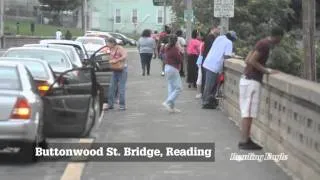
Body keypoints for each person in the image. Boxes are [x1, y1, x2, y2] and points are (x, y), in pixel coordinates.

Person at [238, 27, 283, 150]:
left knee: (247, 112)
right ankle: (244, 140)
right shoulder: (265, 45)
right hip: (252, 81)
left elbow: (247, 60)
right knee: (248, 112)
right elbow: (252, 61)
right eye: (280, 39)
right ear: (278, 37)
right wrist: (267, 71)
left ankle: (245, 139)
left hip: (246, 79)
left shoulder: (260, 42)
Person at [202, 31, 237, 109]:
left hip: (208, 62)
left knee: (210, 85)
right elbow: (227, 56)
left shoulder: (219, 38)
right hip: (214, 65)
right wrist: (233, 56)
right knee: (210, 85)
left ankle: (209, 101)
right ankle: (205, 102)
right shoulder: (229, 43)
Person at [106, 38, 128, 111]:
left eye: (108, 43)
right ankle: (110, 104)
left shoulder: (120, 48)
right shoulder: (111, 49)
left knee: (121, 88)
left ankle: (122, 105)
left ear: (112, 43)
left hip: (122, 70)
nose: (107, 45)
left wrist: (116, 60)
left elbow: (124, 56)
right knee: (111, 87)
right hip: (115, 70)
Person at [162, 35, 183, 113]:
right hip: (173, 68)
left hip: (167, 67)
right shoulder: (174, 49)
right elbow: (180, 60)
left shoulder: (167, 47)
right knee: (179, 88)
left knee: (171, 88)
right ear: (176, 41)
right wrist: (180, 50)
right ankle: (167, 101)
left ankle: (171, 107)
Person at [201, 26, 220, 94]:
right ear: (213, 29)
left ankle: (203, 93)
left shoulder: (208, 37)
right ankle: (205, 96)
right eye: (217, 28)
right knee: (207, 80)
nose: (219, 30)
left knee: (205, 78)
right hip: (208, 61)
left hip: (205, 59)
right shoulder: (210, 37)